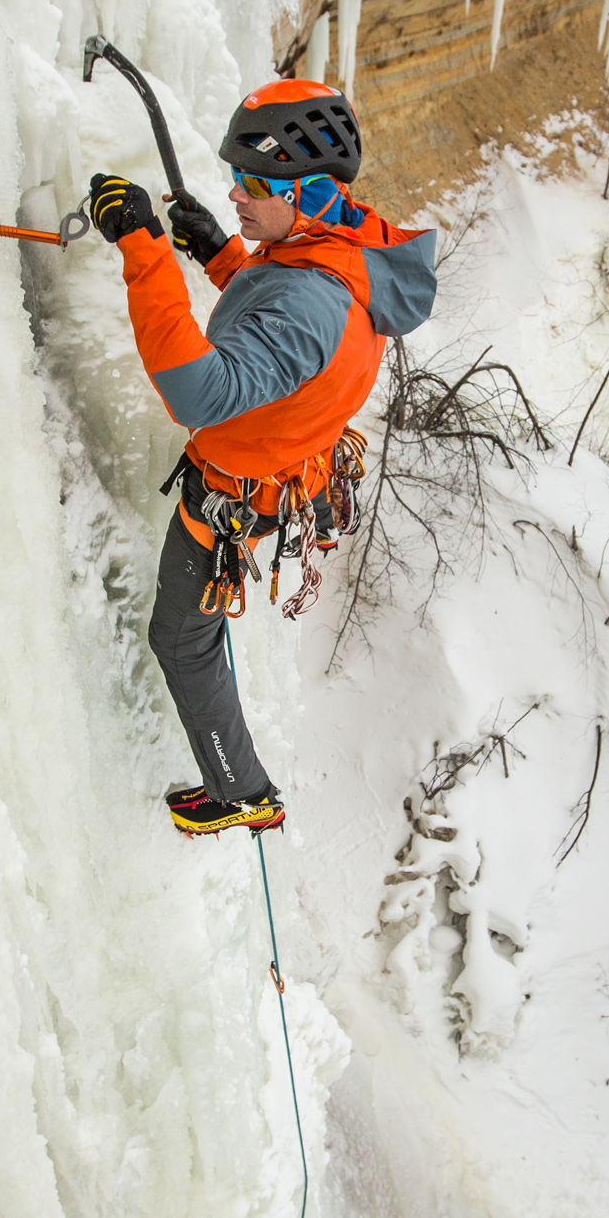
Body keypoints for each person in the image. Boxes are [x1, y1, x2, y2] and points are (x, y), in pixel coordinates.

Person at [88, 79, 437, 838]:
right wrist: (218, 254)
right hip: (280, 469)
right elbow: (277, 323)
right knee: (191, 637)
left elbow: (199, 391)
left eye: (253, 184)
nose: (237, 196)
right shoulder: (337, 247)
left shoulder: (312, 299)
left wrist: (144, 253)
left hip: (235, 496)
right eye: (237, 180)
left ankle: (241, 792)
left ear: (308, 190)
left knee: (180, 640)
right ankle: (238, 780)